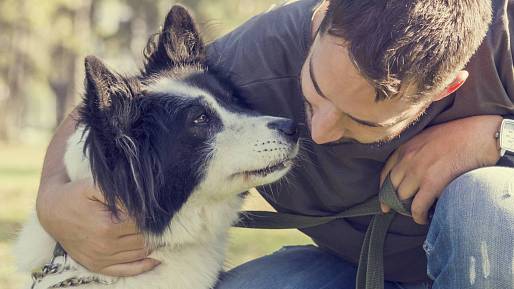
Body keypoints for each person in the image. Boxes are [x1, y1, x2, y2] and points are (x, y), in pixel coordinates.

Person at [35, 0, 514, 288]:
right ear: (321, 16)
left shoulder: (504, 40)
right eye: (314, 92)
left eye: (360, 122)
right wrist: (51, 199)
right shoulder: (261, 50)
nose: (320, 132)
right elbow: (120, 103)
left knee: (485, 201)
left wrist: (492, 137)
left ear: (447, 87)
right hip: (345, 273)